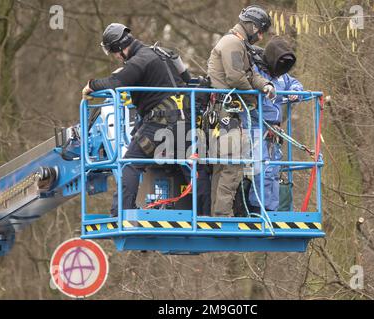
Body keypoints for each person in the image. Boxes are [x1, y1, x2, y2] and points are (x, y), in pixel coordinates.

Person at [82, 23, 191, 216]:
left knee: (130, 163)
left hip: (161, 123)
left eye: (115, 53)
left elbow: (116, 83)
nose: (116, 58)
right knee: (186, 166)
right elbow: (187, 77)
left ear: (119, 48)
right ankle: (200, 210)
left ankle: (121, 213)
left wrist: (92, 85)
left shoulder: (139, 60)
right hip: (184, 120)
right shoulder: (160, 53)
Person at [207, 5, 276, 217]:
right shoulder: (233, 43)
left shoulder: (239, 45)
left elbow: (249, 75)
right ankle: (222, 216)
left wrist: (266, 85)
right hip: (225, 113)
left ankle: (218, 214)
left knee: (226, 165)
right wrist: (252, 99)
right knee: (232, 166)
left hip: (228, 112)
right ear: (252, 26)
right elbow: (235, 78)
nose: (261, 36)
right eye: (260, 31)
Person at [241, 36, 303, 212]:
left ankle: (272, 212)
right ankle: (257, 210)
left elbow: (296, 84)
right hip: (255, 125)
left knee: (274, 170)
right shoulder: (256, 73)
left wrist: (295, 92)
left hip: (274, 130)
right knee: (262, 169)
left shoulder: (283, 77)